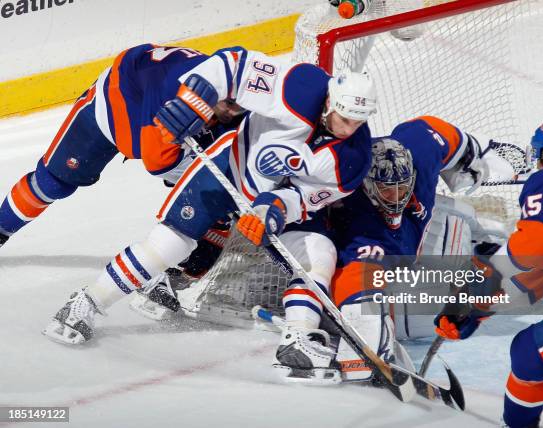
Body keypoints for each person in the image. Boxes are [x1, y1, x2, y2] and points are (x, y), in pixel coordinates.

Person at [42, 45, 378, 345]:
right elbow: (232, 66)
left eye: (357, 122)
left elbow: (305, 199)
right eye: (344, 118)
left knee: (319, 253)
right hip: (227, 166)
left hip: (270, 203)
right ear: (331, 102)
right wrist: (193, 102)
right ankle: (87, 302)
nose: (349, 129)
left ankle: (299, 340)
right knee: (169, 243)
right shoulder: (301, 87)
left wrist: (275, 208)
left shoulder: (354, 158)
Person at [275, 116, 496, 382]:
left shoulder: (420, 152)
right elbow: (359, 271)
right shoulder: (358, 212)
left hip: (405, 252)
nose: (399, 197)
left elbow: (431, 130)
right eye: (388, 190)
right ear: (368, 186)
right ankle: (309, 328)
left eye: (404, 187)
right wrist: (365, 342)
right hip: (316, 226)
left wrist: (472, 154)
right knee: (329, 263)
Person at [433, 118, 543, 428]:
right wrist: (478, 309)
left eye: (538, 153)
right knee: (529, 350)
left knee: (531, 353)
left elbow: (530, 252)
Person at [0, 43, 245, 249]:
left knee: (218, 184)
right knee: (53, 182)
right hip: (112, 105)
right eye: (230, 103)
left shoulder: (237, 90)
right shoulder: (174, 88)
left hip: (168, 116)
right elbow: (157, 161)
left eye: (239, 103)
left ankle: (180, 274)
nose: (234, 109)